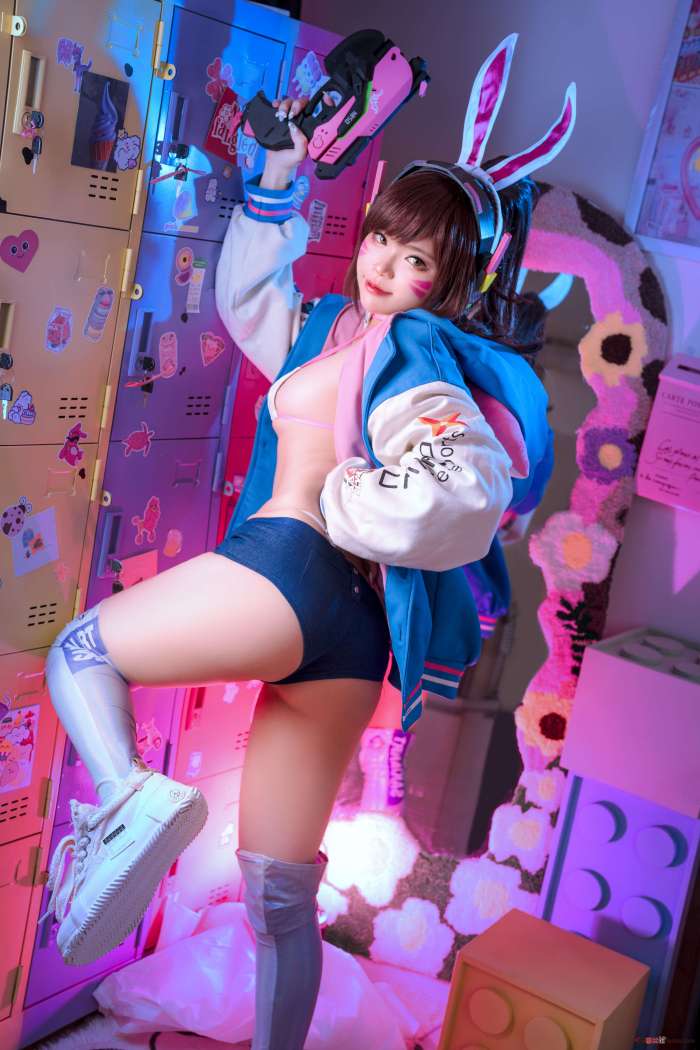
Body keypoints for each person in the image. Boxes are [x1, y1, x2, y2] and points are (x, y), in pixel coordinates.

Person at [40, 35, 574, 1050]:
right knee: (279, 896)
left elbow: (467, 484)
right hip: (349, 641)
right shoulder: (337, 329)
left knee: (83, 652)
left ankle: (128, 800)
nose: (386, 266)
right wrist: (276, 185)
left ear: (449, 282)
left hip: (289, 568)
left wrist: (346, 499)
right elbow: (256, 305)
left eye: (417, 260)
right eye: (384, 240)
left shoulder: (412, 350)